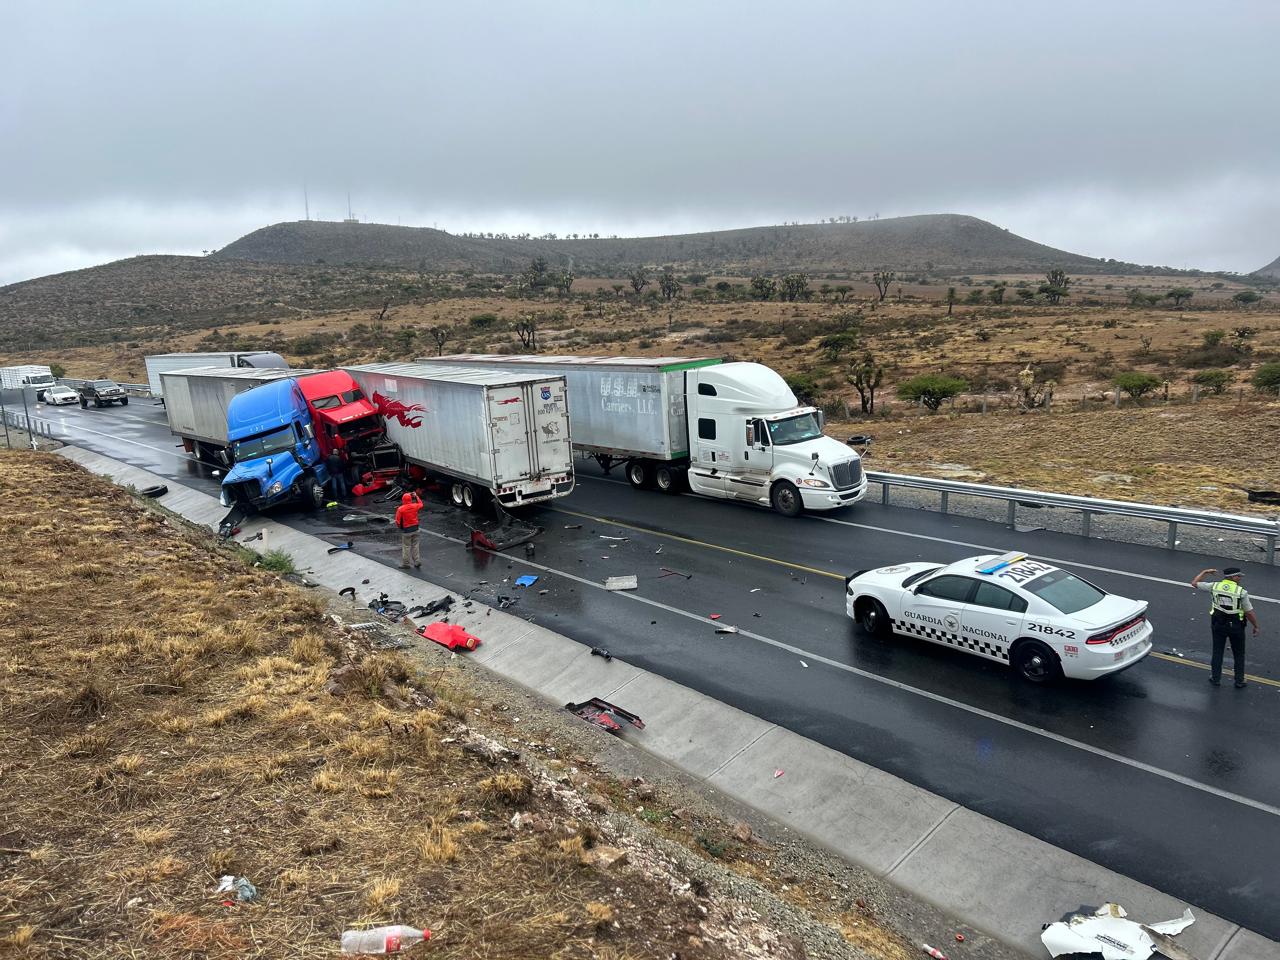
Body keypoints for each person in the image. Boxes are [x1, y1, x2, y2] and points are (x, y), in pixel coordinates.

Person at [1190, 566, 1260, 688]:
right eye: (1238, 576)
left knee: (1217, 651)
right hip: (1236, 626)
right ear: (1232, 577)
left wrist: (1204, 572)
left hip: (1218, 624)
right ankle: (1239, 681)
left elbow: (1194, 583)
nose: (1240, 578)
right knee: (1239, 654)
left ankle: (1215, 678)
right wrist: (1256, 626)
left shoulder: (1214, 586)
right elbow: (1249, 612)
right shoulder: (1241, 592)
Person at [395, 491, 423, 570]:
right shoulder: (415, 506)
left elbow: (397, 521)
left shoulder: (401, 509)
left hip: (407, 530)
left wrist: (400, 528)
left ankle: (406, 564)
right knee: (415, 546)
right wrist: (416, 496)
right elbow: (421, 504)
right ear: (411, 499)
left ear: (403, 499)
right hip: (416, 529)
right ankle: (417, 561)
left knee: (406, 547)